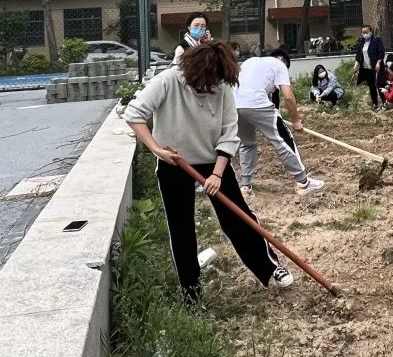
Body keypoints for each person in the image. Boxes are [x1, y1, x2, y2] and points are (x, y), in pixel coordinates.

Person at [123, 41, 294, 302]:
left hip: (213, 160)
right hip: (174, 162)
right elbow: (134, 114)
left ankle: (270, 267)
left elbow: (229, 133)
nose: (211, 88)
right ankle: (191, 291)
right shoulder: (168, 81)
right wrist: (157, 150)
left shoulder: (223, 87)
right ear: (194, 72)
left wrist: (217, 174)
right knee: (181, 227)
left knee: (238, 217)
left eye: (216, 83)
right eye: (207, 83)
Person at [236, 48, 326, 197]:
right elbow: (288, 96)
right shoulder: (280, 65)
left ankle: (245, 186)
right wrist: (296, 121)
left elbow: (262, 91)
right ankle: (303, 183)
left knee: (247, 144)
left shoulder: (250, 62)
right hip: (257, 103)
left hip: (236, 105)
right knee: (284, 140)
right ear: (284, 61)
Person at [353, 25, 386, 110]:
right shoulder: (361, 42)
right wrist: (356, 63)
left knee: (379, 84)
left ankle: (385, 103)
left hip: (376, 67)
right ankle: (375, 103)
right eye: (363, 32)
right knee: (371, 86)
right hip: (366, 68)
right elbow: (358, 54)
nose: (365, 34)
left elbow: (381, 52)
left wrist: (379, 62)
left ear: (371, 32)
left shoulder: (376, 40)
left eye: (366, 32)